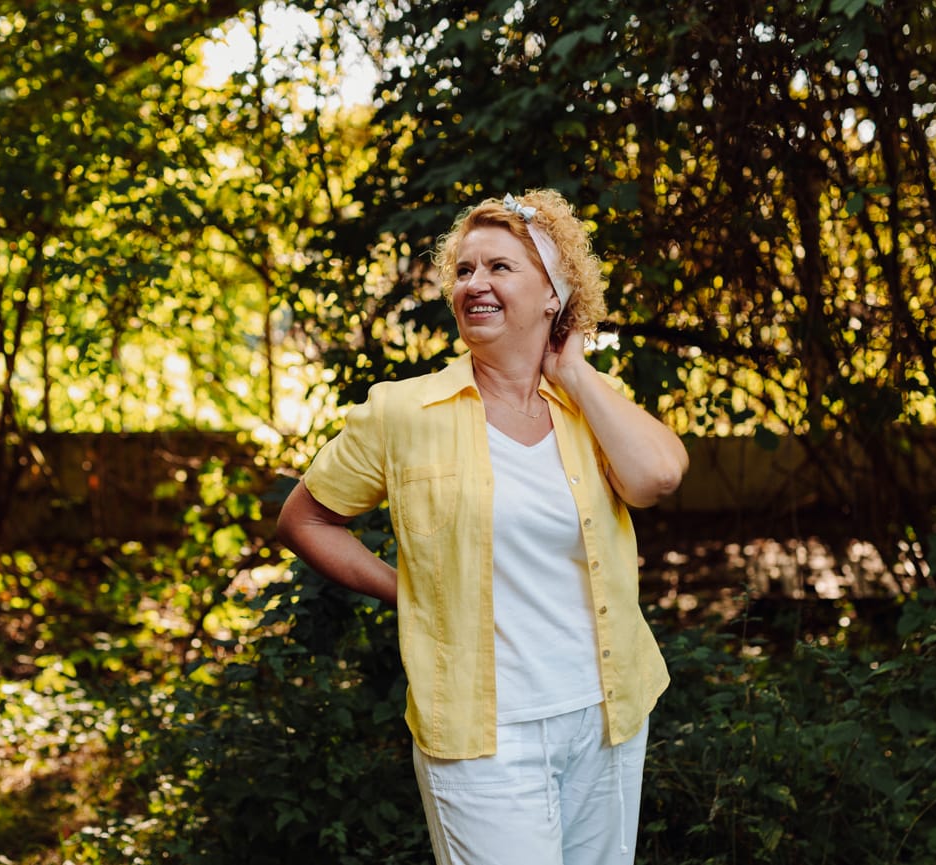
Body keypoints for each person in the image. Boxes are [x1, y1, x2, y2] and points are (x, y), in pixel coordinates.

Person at [276, 189, 690, 865]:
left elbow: (659, 477)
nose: (475, 284)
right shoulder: (404, 411)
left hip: (607, 716)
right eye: (464, 270)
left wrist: (575, 372)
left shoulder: (588, 405)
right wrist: (406, 588)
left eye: (500, 267)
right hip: (481, 734)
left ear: (553, 295)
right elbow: (306, 518)